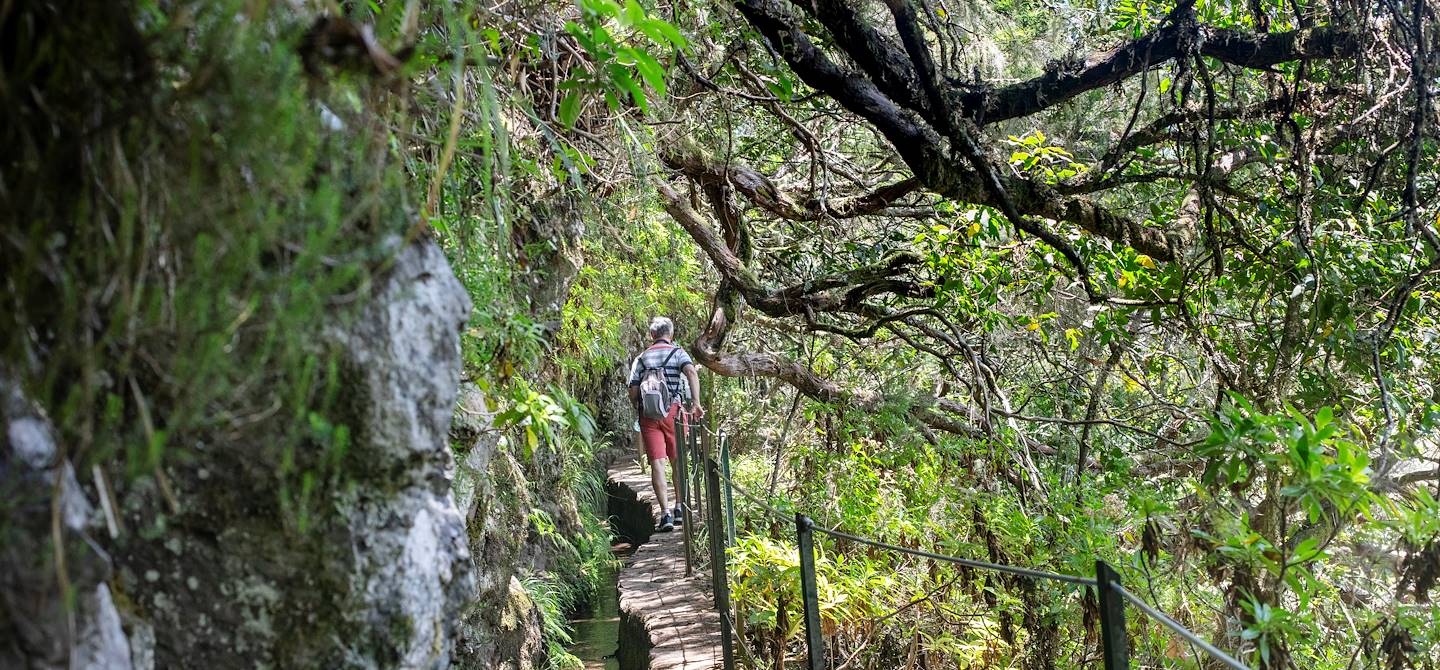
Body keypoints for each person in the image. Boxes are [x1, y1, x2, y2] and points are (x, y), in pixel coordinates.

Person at [627, 316, 703, 532]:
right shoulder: (678, 353)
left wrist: (640, 407)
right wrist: (695, 403)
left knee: (657, 464)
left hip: (649, 416)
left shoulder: (641, 358)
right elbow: (690, 372)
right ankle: (680, 507)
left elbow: (633, 390)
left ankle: (666, 514)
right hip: (675, 414)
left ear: (652, 335)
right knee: (677, 461)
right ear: (671, 334)